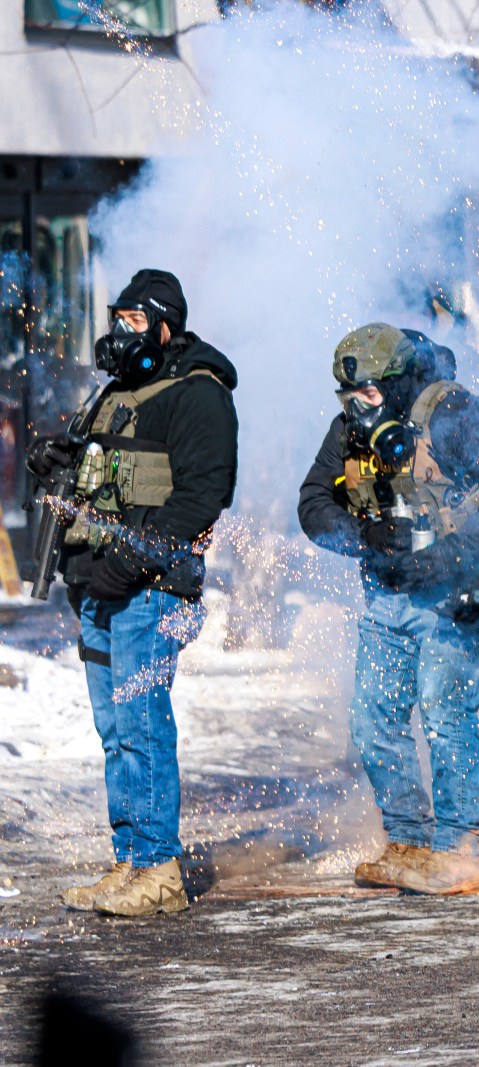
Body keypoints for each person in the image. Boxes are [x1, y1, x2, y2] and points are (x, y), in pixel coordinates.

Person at [299, 322, 479, 895]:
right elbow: (313, 502)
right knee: (371, 717)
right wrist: (365, 537)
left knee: (443, 709)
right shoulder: (351, 433)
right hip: (389, 594)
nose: (359, 408)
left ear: (403, 381)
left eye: (372, 394)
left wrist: (449, 552)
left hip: (463, 592)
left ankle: (460, 848)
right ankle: (407, 840)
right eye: (350, 396)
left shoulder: (459, 416)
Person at [32, 269, 239, 917]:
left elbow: (202, 496)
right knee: (115, 728)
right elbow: (101, 469)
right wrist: (57, 459)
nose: (121, 333)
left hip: (150, 588)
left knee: (142, 723)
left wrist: (131, 559)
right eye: (117, 320)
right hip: (98, 583)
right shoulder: (117, 392)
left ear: (165, 325)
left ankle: (158, 869)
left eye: (135, 322)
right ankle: (129, 860)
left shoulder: (197, 393)